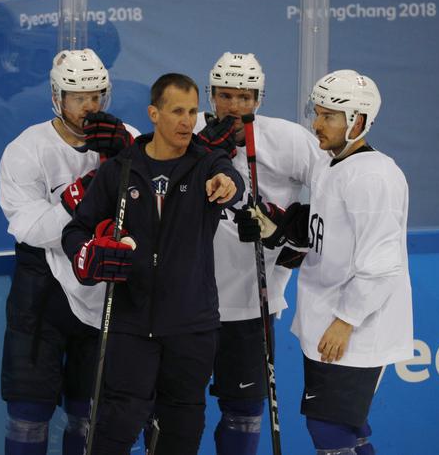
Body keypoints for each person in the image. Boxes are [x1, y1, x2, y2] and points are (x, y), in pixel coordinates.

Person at [61, 73, 244, 455]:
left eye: (193, 111)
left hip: (191, 325)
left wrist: (227, 183)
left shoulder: (209, 164)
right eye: (177, 111)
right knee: (114, 426)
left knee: (179, 431)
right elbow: (77, 230)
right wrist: (87, 256)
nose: (187, 121)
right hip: (130, 321)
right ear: (153, 114)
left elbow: (230, 179)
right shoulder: (120, 169)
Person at [241, 69, 414, 454]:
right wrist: (278, 231)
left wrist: (346, 320)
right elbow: (325, 235)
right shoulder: (332, 165)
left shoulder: (374, 178)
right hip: (327, 318)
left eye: (329, 116)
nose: (316, 124)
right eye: (316, 113)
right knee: (347, 427)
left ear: (360, 121)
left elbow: (382, 265)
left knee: (329, 429)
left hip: (355, 328)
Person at [0, 48, 139, 455]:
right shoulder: (25, 150)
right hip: (41, 292)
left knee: (90, 413)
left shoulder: (124, 138)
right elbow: (30, 229)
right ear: (58, 98)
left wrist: (128, 154)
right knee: (27, 413)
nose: (90, 108)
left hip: (102, 287)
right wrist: (82, 194)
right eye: (79, 98)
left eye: (96, 96)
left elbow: (151, 202)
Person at [193, 52, 322, 454]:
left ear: (259, 98)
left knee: (244, 411)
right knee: (175, 405)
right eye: (226, 95)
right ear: (211, 95)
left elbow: (329, 199)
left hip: (251, 302)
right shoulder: (187, 130)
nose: (234, 106)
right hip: (185, 300)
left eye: (245, 97)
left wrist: (287, 236)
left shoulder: (289, 139)